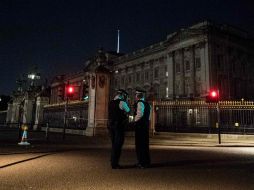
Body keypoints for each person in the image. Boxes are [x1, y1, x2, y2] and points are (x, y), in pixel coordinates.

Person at [108, 89, 130, 169]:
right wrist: (126, 101)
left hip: (111, 125)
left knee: (114, 144)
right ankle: (115, 163)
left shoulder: (111, 102)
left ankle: (112, 160)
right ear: (122, 95)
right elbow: (128, 110)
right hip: (119, 126)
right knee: (118, 144)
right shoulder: (122, 102)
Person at [133, 89, 151, 169]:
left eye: (135, 95)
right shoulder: (147, 104)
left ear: (138, 96)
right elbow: (149, 117)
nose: (135, 96)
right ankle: (146, 162)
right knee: (145, 145)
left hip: (140, 126)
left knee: (139, 145)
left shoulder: (140, 103)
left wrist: (134, 121)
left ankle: (141, 162)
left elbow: (139, 114)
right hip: (145, 126)